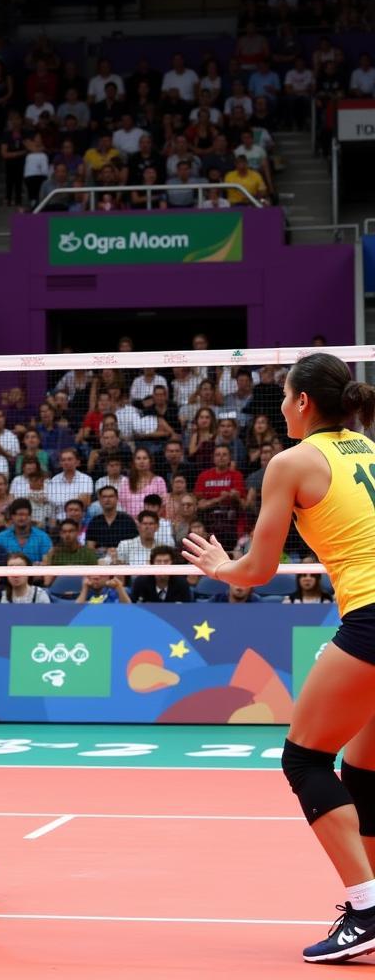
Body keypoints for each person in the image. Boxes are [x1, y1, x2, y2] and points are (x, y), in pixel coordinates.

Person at [183, 353, 375, 964]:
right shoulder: (369, 450)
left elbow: (259, 570)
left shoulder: (290, 462)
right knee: (365, 769)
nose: (282, 406)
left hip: (372, 616)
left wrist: (219, 567)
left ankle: (367, 908)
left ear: (301, 403)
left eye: (285, 396)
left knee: (305, 759)